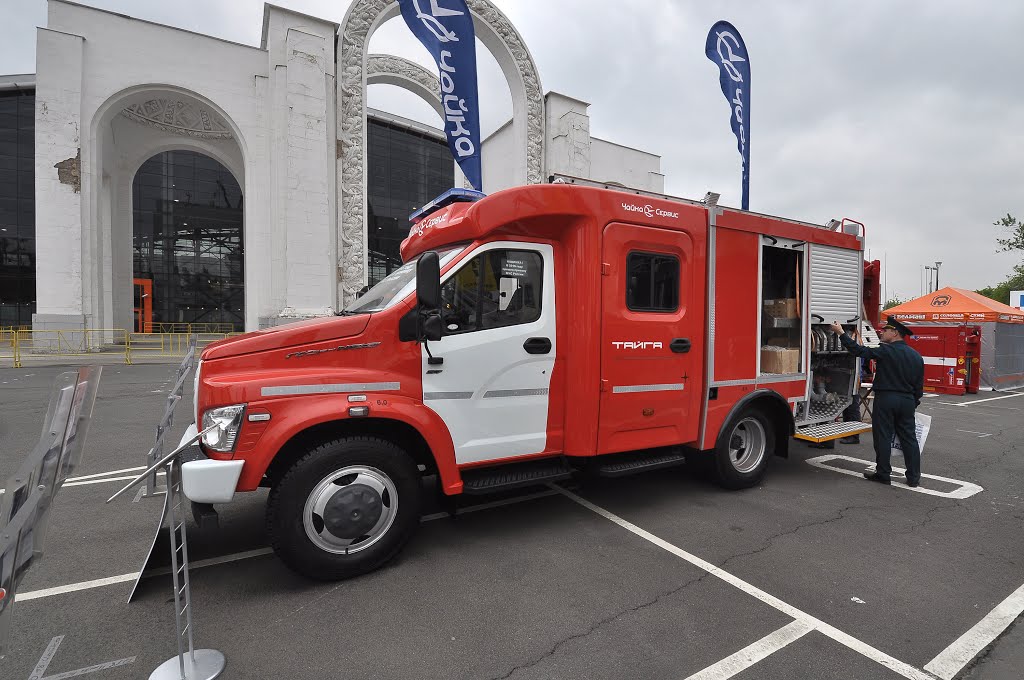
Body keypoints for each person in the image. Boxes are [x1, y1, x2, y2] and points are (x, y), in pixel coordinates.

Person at [830, 317, 924, 487]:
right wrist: (913, 402)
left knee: (883, 437)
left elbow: (859, 351)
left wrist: (841, 333)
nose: (882, 332)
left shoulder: (885, 351)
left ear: (895, 333)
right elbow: (919, 387)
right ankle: (914, 477)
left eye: (886, 330)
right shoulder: (917, 356)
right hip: (908, 401)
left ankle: (883, 474)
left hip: (887, 399)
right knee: (909, 439)